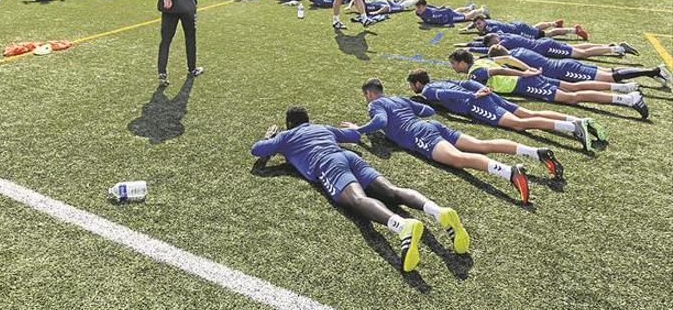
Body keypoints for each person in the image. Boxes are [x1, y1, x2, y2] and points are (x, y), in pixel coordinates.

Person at [251, 106, 470, 272]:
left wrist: (270, 137)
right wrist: (352, 129)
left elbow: (257, 150)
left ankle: (402, 225)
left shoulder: (286, 136)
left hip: (327, 164)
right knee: (392, 191)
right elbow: (354, 136)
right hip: (349, 157)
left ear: (289, 123)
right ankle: (437, 211)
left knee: (356, 200)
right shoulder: (321, 128)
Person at [342, 78, 534, 205]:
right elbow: (427, 111)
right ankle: (534, 152)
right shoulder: (398, 99)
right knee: (481, 144)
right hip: (431, 125)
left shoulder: (375, 104)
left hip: (420, 134)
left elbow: (381, 121)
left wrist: (357, 129)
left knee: (458, 159)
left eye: (365, 96)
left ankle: (510, 172)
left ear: (369, 93)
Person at [406, 69, 602, 151]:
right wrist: (481, 89)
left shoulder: (430, 90)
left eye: (411, 85)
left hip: (477, 104)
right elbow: (465, 82)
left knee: (519, 124)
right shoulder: (439, 81)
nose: (411, 89)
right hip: (487, 96)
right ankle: (576, 121)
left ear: (417, 83)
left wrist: (473, 97)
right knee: (527, 114)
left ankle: (574, 128)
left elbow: (449, 95)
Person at [448, 49, 649, 120]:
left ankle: (628, 99)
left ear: (461, 62)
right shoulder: (481, 59)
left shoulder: (475, 72)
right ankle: (624, 88)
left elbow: (500, 70)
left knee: (572, 97)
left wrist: (525, 73)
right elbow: (507, 58)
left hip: (525, 83)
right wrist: (529, 69)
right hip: (529, 78)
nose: (453, 68)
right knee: (574, 87)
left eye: (453, 64)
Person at [486, 45, 672, 90]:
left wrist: (528, 71)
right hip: (564, 65)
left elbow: (507, 62)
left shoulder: (508, 58)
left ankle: (655, 71)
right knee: (608, 72)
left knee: (609, 78)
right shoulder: (517, 50)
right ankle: (653, 73)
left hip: (562, 70)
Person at [459, 32, 640, 59]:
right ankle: (610, 46)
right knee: (581, 49)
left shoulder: (503, 43)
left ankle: (618, 48)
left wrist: (474, 52)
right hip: (545, 44)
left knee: (579, 54)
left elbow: (494, 52)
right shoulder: (504, 36)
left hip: (545, 48)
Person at [466, 14, 589, 41]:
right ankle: (555, 23)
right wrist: (467, 28)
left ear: (483, 22)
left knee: (546, 35)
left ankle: (574, 30)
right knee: (535, 28)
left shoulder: (490, 29)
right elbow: (475, 23)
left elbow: (498, 36)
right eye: (476, 25)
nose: (477, 27)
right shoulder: (487, 21)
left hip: (521, 31)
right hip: (517, 25)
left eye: (478, 24)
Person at [414, 0, 488, 26]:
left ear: (424, 6)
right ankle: (469, 7)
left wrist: (445, 10)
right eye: (417, 7)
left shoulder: (432, 14)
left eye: (420, 7)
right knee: (457, 10)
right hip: (445, 14)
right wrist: (439, 8)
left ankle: (481, 10)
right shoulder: (418, 12)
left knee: (467, 16)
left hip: (449, 16)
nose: (418, 9)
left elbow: (439, 16)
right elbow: (432, 7)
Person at [350, 0, 418, 15]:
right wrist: (349, 6)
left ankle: (413, 1)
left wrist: (376, 12)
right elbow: (353, 1)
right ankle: (401, 0)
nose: (355, 4)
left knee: (401, 7)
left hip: (386, 4)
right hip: (382, 0)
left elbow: (386, 7)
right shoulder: (359, 3)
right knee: (393, 2)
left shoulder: (369, 6)